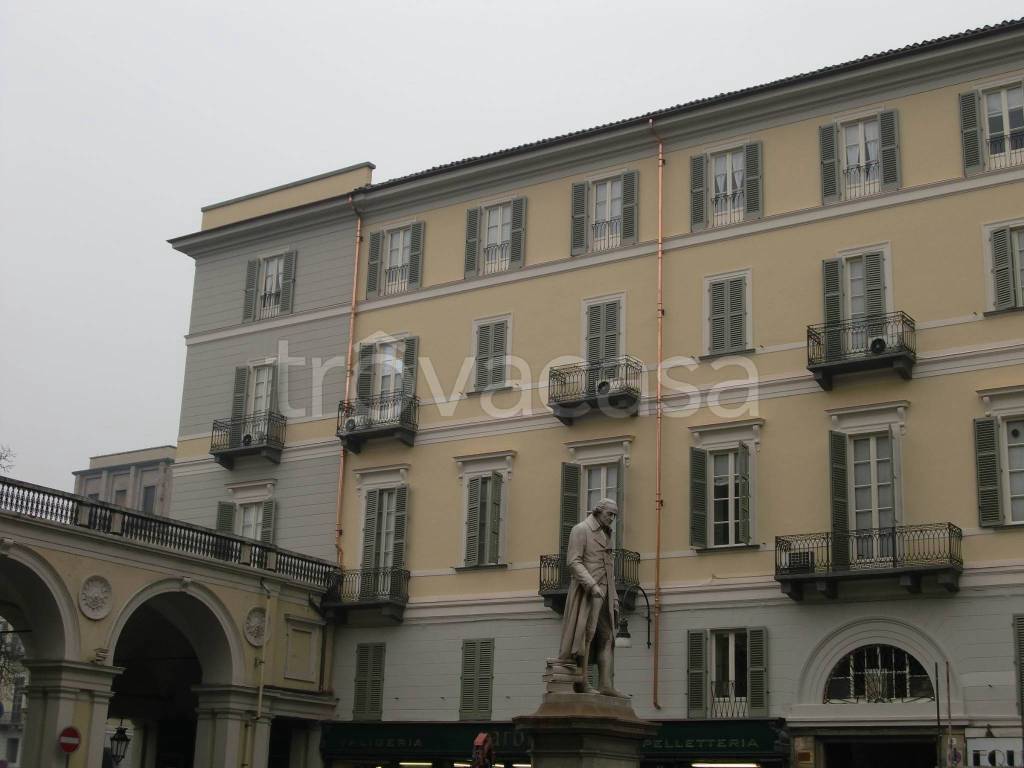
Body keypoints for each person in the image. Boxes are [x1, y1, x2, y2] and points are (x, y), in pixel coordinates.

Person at [557, 497, 624, 696]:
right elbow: (573, 562)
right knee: (586, 635)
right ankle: (582, 682)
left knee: (608, 636)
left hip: (605, 592)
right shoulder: (581, 529)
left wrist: (613, 596)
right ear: (598, 511)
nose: (612, 518)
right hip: (588, 592)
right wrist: (592, 585)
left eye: (614, 515)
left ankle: (606, 684)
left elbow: (609, 568)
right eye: (609, 514)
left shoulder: (606, 534)